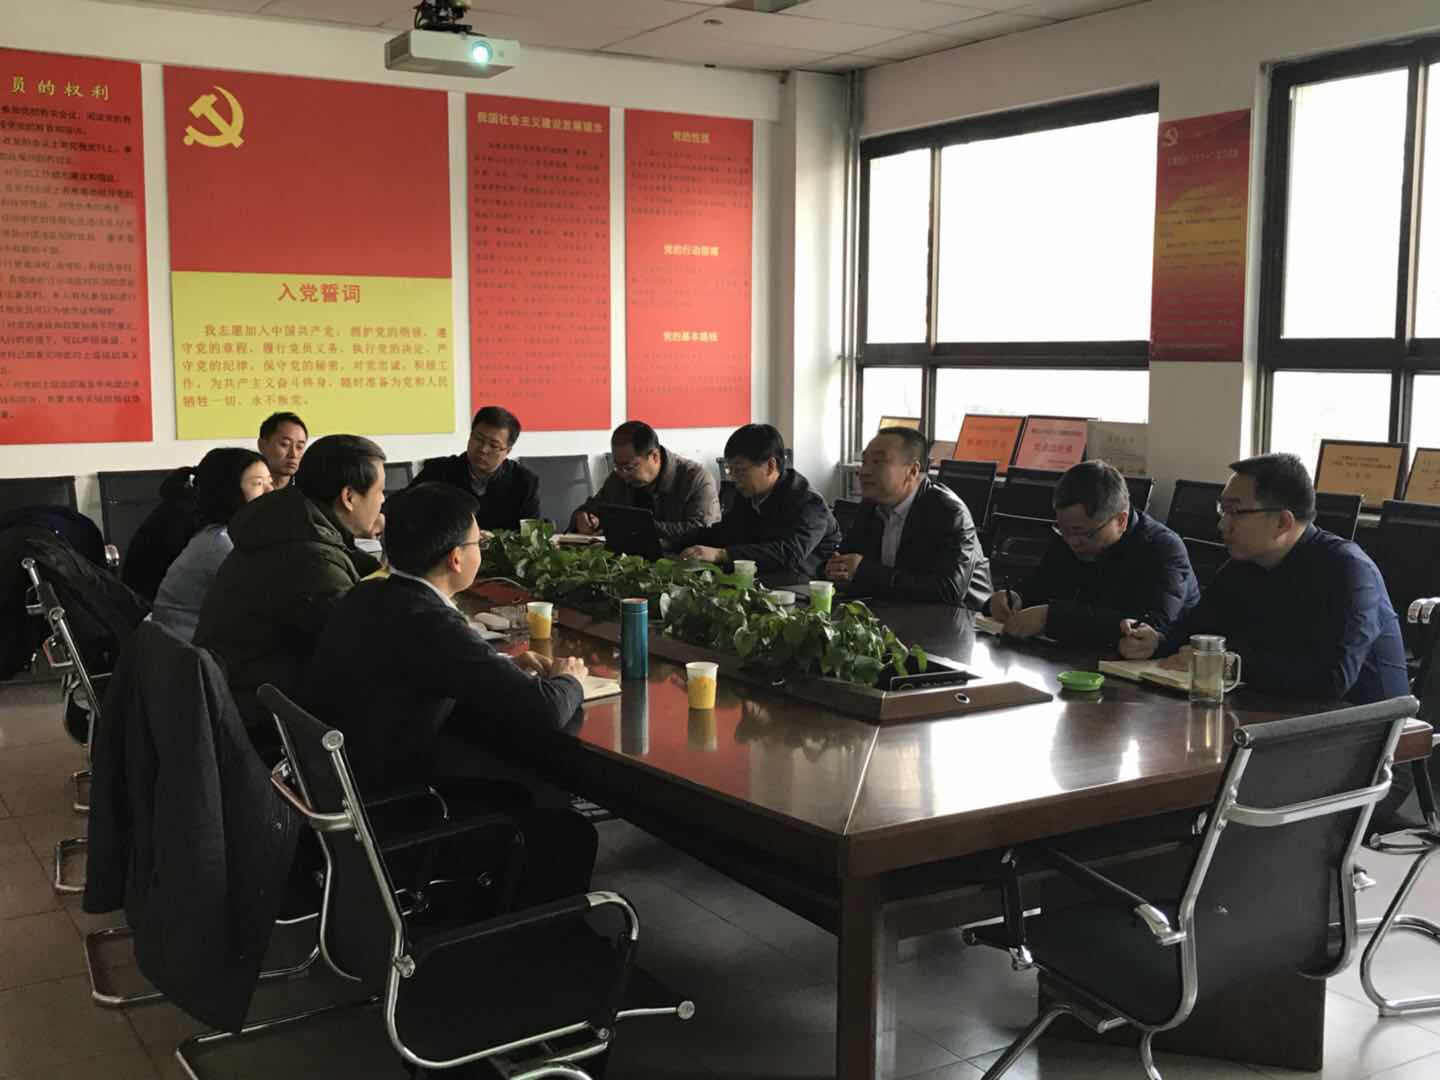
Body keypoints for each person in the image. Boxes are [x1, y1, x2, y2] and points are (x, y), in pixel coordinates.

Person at [300, 482, 596, 908]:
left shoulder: (369, 594)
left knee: (519, 789)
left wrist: (503, 667)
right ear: (456, 557)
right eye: (477, 543)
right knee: (566, 832)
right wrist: (571, 680)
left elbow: (427, 666)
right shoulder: (428, 619)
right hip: (398, 809)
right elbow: (545, 709)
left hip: (354, 795)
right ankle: (524, 936)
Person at [1119, 453, 1408, 705]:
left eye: (1235, 512)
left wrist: (1226, 664)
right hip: (1271, 711)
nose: (1222, 524)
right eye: (1222, 509)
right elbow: (1198, 632)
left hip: (1363, 725)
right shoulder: (1243, 565)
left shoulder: (1347, 570)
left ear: (1283, 522)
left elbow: (1331, 679)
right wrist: (1157, 641)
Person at [194, 434, 387, 740]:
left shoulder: (289, 520)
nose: (383, 501)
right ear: (349, 497)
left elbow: (349, 563)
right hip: (266, 714)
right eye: (380, 491)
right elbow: (358, 645)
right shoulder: (307, 558)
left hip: (244, 691)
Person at [988, 460, 1199, 648]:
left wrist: (1052, 618)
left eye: (1084, 533)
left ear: (1121, 521)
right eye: (1063, 529)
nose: (1073, 541)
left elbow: (1151, 625)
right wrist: (1013, 598)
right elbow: (1040, 586)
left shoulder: (1163, 548)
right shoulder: (1069, 537)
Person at [824, 427, 990, 607]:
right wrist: (835, 570)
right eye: (864, 461)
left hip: (962, 618)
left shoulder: (949, 512)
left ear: (912, 471)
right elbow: (848, 559)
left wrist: (863, 571)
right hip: (894, 613)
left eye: (878, 462)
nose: (864, 471)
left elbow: (948, 591)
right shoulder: (871, 506)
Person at [675, 424, 841, 582]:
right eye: (730, 470)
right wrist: (677, 542)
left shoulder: (809, 503)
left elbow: (788, 553)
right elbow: (727, 532)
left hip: (805, 586)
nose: (734, 478)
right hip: (767, 580)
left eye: (740, 471)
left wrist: (721, 554)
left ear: (770, 466)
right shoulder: (750, 494)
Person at [151, 449, 273, 642]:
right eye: (258, 483)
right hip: (188, 651)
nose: (270, 491)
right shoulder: (221, 542)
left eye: (270, 482)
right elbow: (266, 598)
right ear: (229, 491)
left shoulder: (225, 534)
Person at [569, 420, 720, 542]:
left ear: (654, 457)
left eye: (629, 467)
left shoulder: (696, 479)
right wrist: (582, 517)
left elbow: (703, 530)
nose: (623, 474)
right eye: (617, 466)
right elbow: (594, 507)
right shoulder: (619, 476)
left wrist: (640, 528)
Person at [412, 405, 540, 531]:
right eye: (479, 439)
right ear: (470, 436)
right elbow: (404, 508)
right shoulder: (437, 471)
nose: (483, 449)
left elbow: (530, 536)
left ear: (507, 451)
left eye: (493, 445)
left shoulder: (524, 482)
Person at [257, 411, 308, 490]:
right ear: (262, 445)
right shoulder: (246, 491)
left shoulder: (306, 493)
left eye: (299, 447)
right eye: (285, 444)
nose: (293, 455)